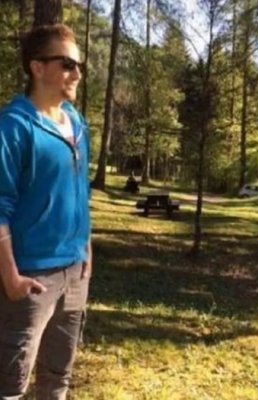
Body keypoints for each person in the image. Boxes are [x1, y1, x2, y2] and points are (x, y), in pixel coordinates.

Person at [0, 24, 91, 400]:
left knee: (58, 378)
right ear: (37, 67)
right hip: (30, 278)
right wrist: (12, 279)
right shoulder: (13, 126)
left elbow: (81, 193)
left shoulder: (77, 123)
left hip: (76, 275)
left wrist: (87, 251)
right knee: (10, 384)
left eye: (79, 65)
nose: (77, 73)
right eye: (67, 64)